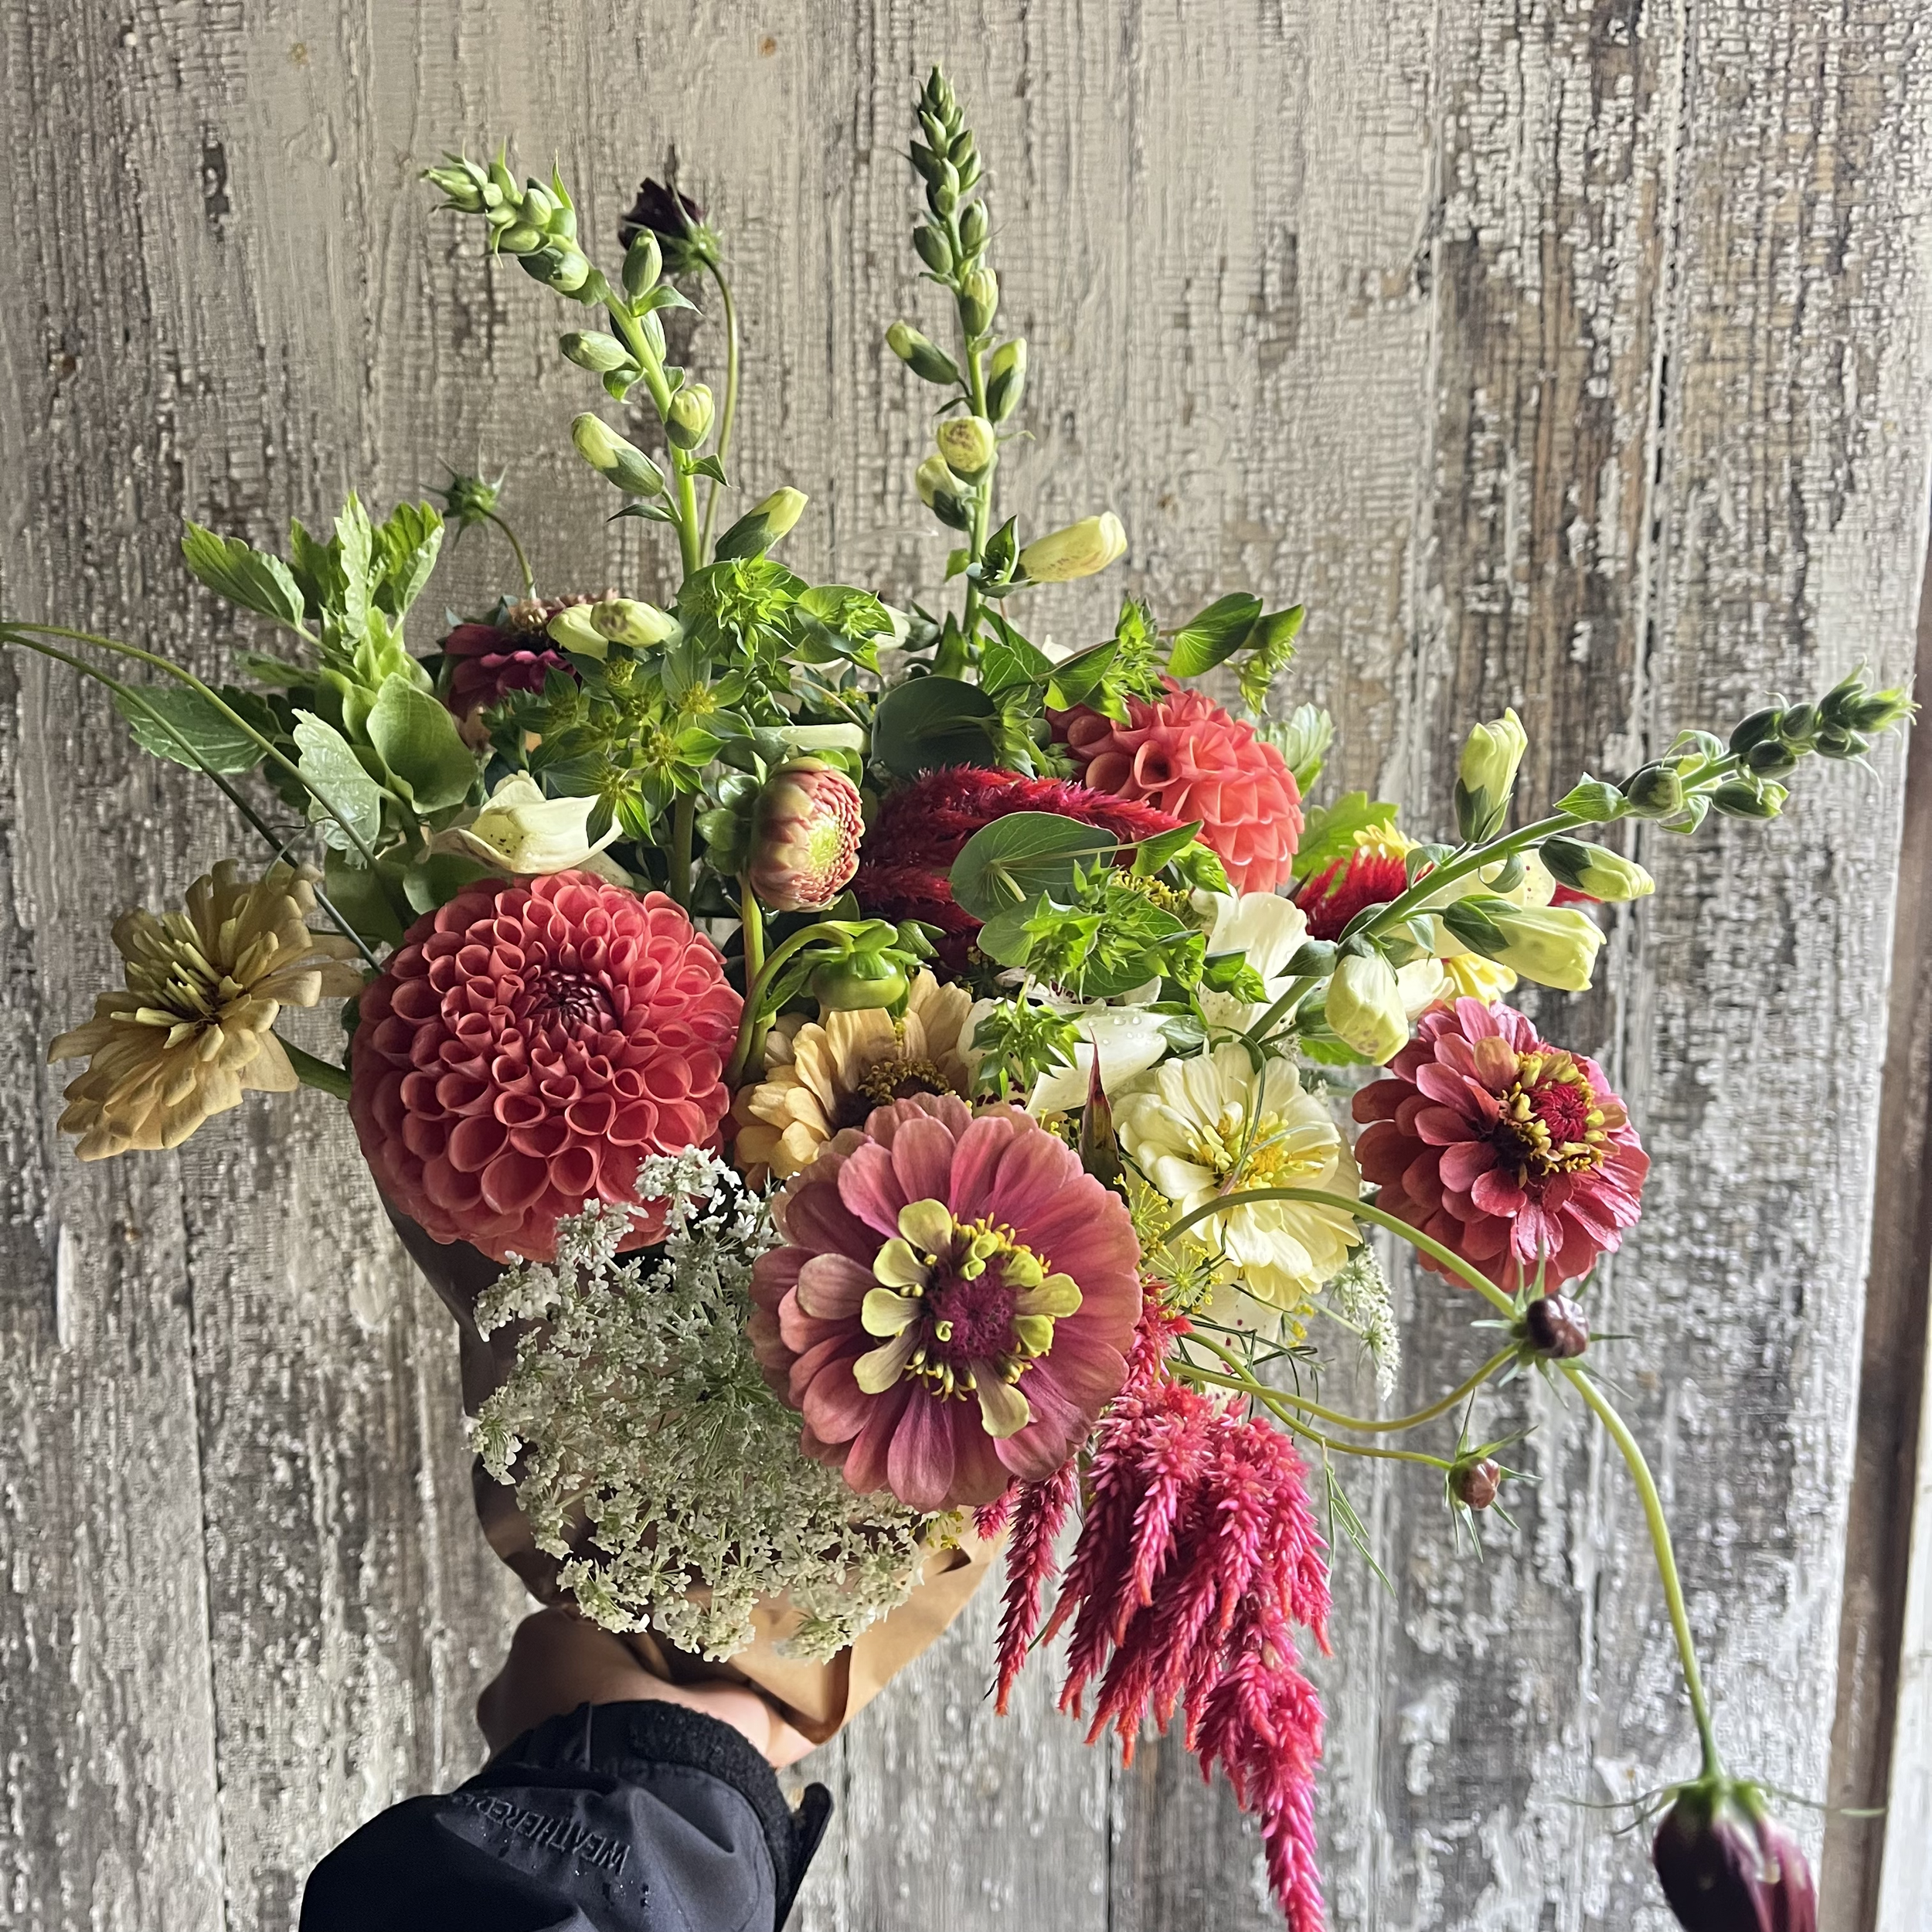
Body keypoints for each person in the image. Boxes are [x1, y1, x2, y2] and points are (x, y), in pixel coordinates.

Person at [299, 1607, 828, 1931]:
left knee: (543, 1657)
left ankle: (770, 1727)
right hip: (685, 1830)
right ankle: (770, 1727)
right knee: (550, 1648)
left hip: (695, 1856)